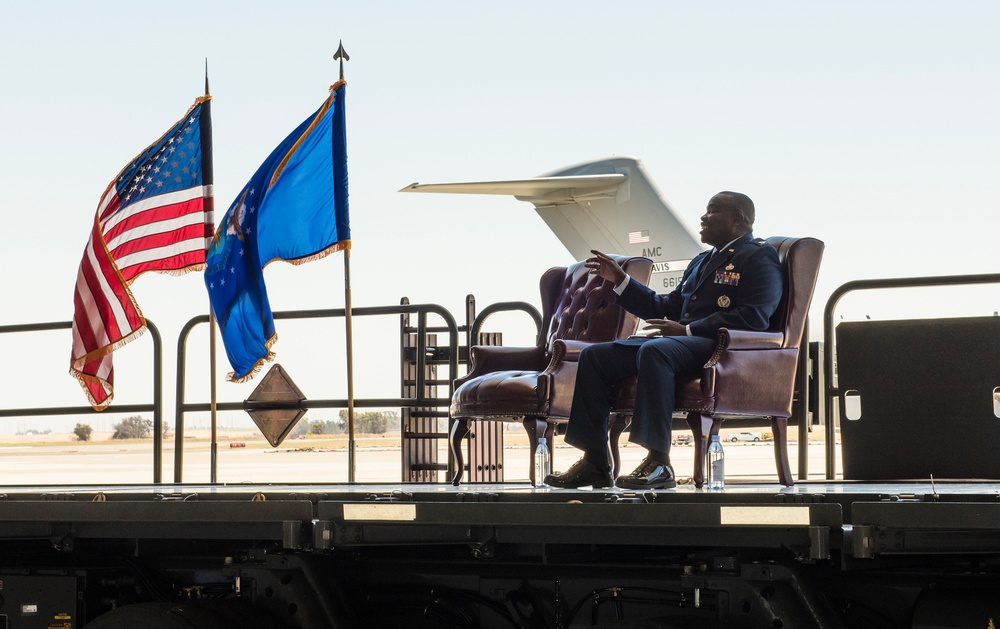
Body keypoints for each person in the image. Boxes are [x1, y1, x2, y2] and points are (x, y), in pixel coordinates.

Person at [544, 191, 783, 489]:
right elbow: (666, 307)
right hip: (682, 343)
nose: (703, 217)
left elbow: (754, 316)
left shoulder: (758, 256)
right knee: (596, 356)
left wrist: (687, 330)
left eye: (713, 211)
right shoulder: (702, 261)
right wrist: (622, 281)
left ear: (738, 220)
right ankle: (595, 461)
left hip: (723, 348)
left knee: (657, 350)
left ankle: (659, 462)